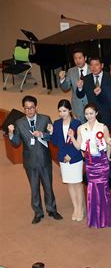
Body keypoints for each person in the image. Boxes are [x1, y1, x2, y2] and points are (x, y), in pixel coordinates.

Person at [7, 95, 63, 224]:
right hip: (30, 161)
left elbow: (52, 137)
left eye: (31, 108)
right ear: (24, 109)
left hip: (44, 159)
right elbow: (16, 143)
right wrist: (11, 133)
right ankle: (38, 212)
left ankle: (52, 209)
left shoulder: (45, 119)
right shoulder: (19, 123)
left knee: (48, 186)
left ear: (36, 107)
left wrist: (43, 134)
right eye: (26, 108)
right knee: (34, 188)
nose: (29, 111)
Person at [69, 103, 111, 228]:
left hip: (102, 161)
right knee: (91, 189)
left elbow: (108, 143)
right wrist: (72, 137)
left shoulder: (103, 127)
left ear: (96, 113)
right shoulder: (81, 128)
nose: (89, 116)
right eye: (86, 114)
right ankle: (94, 218)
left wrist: (108, 157)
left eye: (91, 113)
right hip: (90, 162)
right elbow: (78, 146)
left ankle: (105, 218)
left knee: (103, 189)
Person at [48, 99, 85, 222]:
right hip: (63, 158)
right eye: (59, 111)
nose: (62, 113)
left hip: (75, 158)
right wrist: (51, 132)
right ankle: (75, 207)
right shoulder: (57, 123)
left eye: (64, 111)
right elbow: (55, 142)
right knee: (70, 183)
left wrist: (71, 155)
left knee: (77, 184)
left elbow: (80, 142)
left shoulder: (77, 123)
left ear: (69, 110)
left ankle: (80, 208)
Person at [76, 57, 111, 127]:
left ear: (102, 65)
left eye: (96, 65)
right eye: (91, 65)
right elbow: (80, 95)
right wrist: (79, 88)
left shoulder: (110, 77)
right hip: (92, 115)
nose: (94, 67)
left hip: (107, 113)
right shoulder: (85, 79)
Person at [58, 49, 89, 122]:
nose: (78, 61)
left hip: (90, 102)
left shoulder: (92, 69)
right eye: (75, 58)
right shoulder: (71, 71)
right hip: (77, 104)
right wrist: (62, 79)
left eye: (80, 58)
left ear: (85, 58)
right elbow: (65, 88)